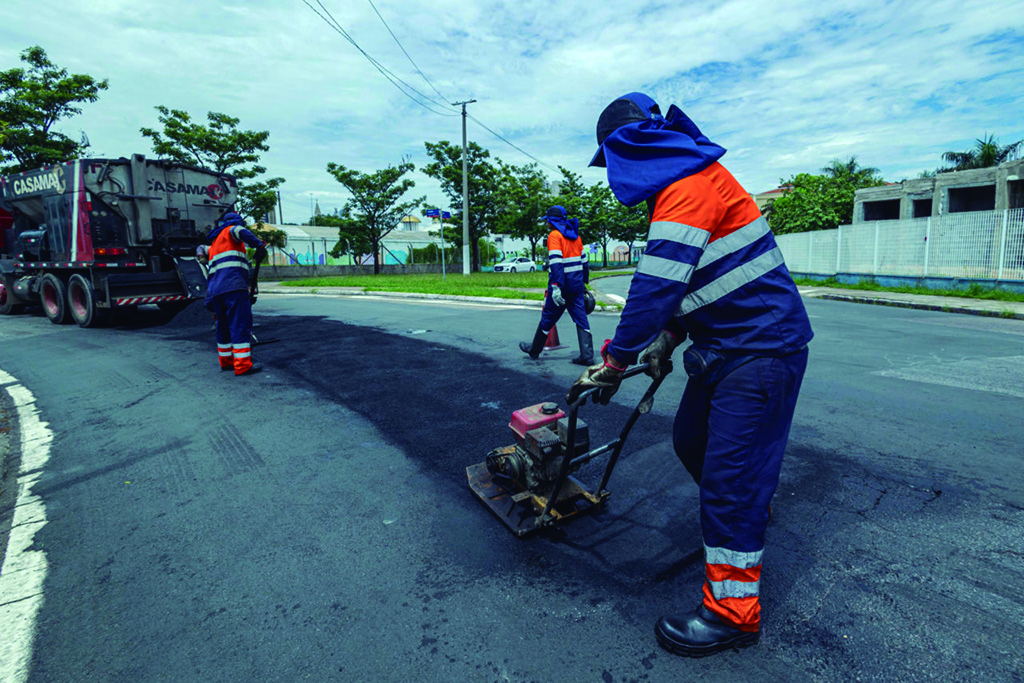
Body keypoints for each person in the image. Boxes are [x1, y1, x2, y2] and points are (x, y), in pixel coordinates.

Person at [568, 93, 813, 657]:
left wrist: (615, 362)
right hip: (729, 347)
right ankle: (747, 513)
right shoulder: (683, 184)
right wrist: (669, 338)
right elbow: (694, 282)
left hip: (761, 351)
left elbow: (654, 288)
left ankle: (733, 613)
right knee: (690, 440)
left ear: (627, 148)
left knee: (728, 482)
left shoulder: (687, 188)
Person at [519, 205, 594, 365]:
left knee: (548, 317)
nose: (546, 223)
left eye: (547, 220)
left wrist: (556, 286)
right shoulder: (576, 236)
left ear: (552, 221)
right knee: (581, 319)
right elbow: (584, 263)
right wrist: (583, 283)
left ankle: (534, 350)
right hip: (576, 286)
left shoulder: (554, 236)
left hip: (562, 286)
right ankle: (587, 355)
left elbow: (556, 263)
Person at [204, 211, 268, 376]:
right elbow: (240, 231)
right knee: (239, 324)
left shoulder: (215, 243)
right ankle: (242, 365)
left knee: (223, 327)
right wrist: (259, 245)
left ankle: (227, 362)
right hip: (233, 287)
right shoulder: (231, 230)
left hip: (216, 291)